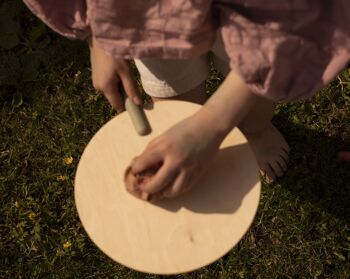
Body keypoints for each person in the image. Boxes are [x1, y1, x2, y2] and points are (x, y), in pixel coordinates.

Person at [23, 1, 350, 199]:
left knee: (250, 77)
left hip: (259, 13)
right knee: (173, 92)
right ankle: (190, 129)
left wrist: (213, 123)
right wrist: (99, 33)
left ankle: (255, 130)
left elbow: (289, 31)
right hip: (143, 13)